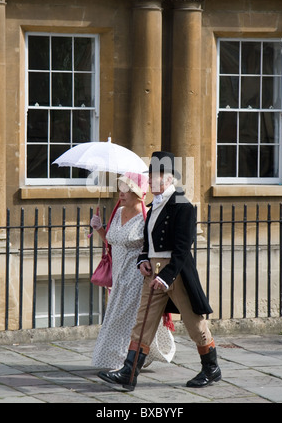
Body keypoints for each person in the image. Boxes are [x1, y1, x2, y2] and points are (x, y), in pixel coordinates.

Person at [98, 151, 221, 390]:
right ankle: (129, 372)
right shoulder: (153, 205)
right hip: (152, 271)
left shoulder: (182, 205)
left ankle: (211, 368)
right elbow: (147, 241)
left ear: (168, 179)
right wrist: (141, 260)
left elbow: (184, 248)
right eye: (150, 176)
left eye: (155, 177)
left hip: (176, 273)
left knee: (194, 323)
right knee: (143, 321)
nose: (151, 182)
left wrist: (166, 277)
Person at [90, 171, 176, 369]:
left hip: (136, 277)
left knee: (125, 320)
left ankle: (123, 361)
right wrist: (99, 229)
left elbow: (154, 249)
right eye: (120, 189)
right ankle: (134, 356)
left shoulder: (147, 217)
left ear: (138, 193)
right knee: (119, 318)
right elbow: (113, 243)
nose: (121, 194)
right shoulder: (118, 212)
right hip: (118, 276)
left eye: (126, 190)